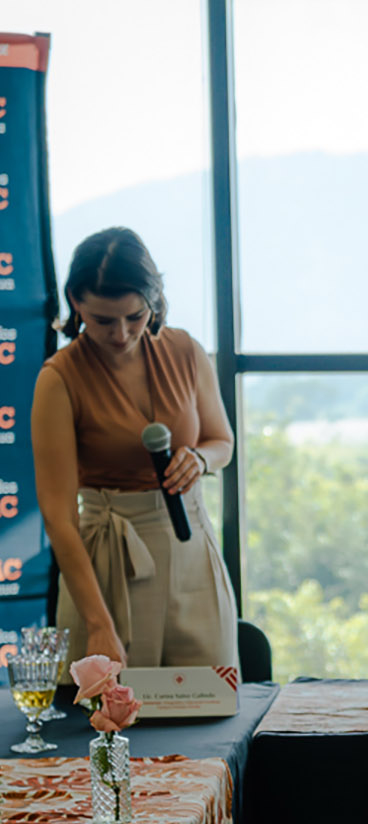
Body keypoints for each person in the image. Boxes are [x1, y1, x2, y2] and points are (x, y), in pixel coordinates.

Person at [32, 227, 238, 675]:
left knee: (208, 708)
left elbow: (223, 442)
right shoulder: (58, 379)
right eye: (103, 321)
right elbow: (59, 518)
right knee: (110, 724)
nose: (121, 334)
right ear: (76, 302)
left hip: (191, 551)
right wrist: (97, 621)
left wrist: (200, 458)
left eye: (135, 316)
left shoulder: (185, 349)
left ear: (154, 300)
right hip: (104, 565)